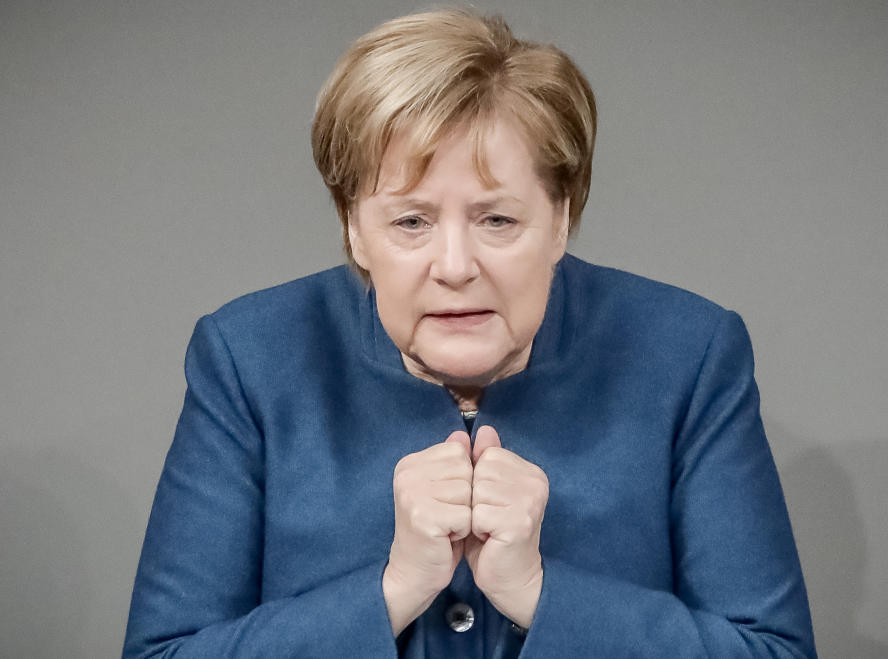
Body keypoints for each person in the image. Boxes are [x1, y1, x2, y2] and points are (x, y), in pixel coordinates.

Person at [123, 8, 816, 658]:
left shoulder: (689, 355)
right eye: (411, 221)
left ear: (561, 219)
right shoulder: (248, 358)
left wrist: (544, 596)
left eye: (497, 220)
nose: (455, 268)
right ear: (354, 229)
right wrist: (391, 590)